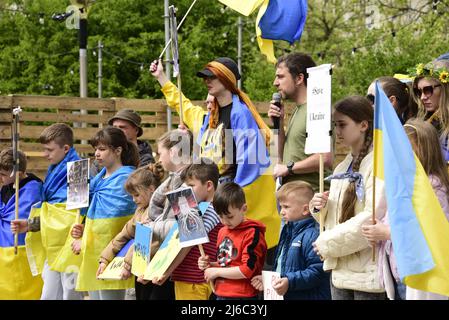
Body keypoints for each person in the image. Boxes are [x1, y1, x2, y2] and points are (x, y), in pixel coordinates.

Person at [150, 57, 280, 250]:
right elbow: (184, 107)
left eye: (212, 77)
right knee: (189, 238)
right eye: (205, 77)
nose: (207, 81)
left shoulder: (241, 114)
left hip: (229, 199)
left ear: (227, 79)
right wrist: (161, 77)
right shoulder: (209, 118)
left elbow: (251, 162)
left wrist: (230, 197)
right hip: (209, 193)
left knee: (206, 245)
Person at [362, 119, 449, 300]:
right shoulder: (403, 184)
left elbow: (430, 232)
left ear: (425, 150)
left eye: (407, 149)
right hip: (399, 271)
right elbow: (393, 221)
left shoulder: (433, 188)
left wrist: (386, 232)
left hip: (418, 277)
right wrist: (376, 233)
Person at [310, 96, 386, 300]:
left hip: (367, 272)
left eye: (342, 124)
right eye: (335, 125)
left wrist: (327, 243)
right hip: (340, 269)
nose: (338, 131)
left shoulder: (379, 162)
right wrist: (320, 208)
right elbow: (334, 219)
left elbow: (371, 217)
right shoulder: (342, 166)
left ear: (363, 125)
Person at [11, 123, 84, 300]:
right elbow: (53, 212)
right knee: (49, 294)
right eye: (44, 149)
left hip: (70, 243)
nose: (45, 154)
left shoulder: (78, 170)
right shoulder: (55, 168)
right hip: (53, 243)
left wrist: (32, 224)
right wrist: (30, 225)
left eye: (49, 150)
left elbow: (73, 215)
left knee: (70, 295)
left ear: (66, 148)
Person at [71, 127, 139, 300]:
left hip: (116, 252)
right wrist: (82, 232)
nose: (97, 154)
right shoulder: (96, 180)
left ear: (118, 151)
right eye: (95, 149)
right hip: (93, 251)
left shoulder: (127, 179)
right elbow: (95, 218)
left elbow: (117, 222)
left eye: (102, 149)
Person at [150, 159, 222, 300]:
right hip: (188, 278)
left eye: (191, 185)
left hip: (195, 280)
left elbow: (188, 243)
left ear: (208, 185)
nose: (186, 190)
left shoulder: (211, 209)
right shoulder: (199, 208)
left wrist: (166, 272)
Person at [135, 128, 193, 300]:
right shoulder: (172, 181)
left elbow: (184, 228)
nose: (159, 159)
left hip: (178, 265)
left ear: (174, 151)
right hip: (163, 258)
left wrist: (152, 227)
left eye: (161, 153)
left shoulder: (189, 181)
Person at [251, 181, 331, 300]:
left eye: (286, 207)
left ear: (305, 209)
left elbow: (318, 271)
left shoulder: (313, 234)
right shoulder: (287, 232)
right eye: (281, 206)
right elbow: (281, 267)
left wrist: (289, 281)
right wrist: (268, 280)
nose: (281, 211)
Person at [96, 163, 164, 300]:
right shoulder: (140, 210)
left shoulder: (160, 210)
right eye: (132, 195)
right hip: (140, 271)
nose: (134, 199)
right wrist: (105, 259)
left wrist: (128, 264)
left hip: (157, 272)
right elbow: (124, 234)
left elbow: (151, 241)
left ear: (151, 189)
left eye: (137, 195)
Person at [268, 52, 333, 189]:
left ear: (299, 78)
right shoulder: (298, 110)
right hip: (291, 197)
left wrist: (289, 168)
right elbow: (279, 157)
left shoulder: (316, 110)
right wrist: (278, 124)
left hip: (312, 199)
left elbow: (325, 158)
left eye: (280, 77)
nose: (275, 83)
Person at [198, 182, 267, 300]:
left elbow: (247, 270)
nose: (225, 222)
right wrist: (209, 265)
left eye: (230, 217)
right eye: (220, 216)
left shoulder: (252, 233)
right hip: (220, 292)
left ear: (244, 208)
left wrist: (216, 272)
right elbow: (225, 264)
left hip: (242, 296)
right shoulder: (222, 231)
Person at [1, 148, 43, 299]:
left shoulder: (33, 188)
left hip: (23, 249)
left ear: (17, 174)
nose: (0, 178)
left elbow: (28, 214)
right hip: (4, 249)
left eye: (3, 175)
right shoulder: (6, 187)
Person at [409, 59, 449, 165]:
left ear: (445, 87)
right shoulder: (423, 122)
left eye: (428, 90)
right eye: (419, 91)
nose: (422, 97)